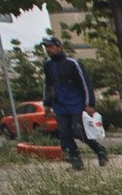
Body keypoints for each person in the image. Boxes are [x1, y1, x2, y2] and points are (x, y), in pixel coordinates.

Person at [41, 36, 107, 169]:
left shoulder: (72, 63)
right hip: (59, 106)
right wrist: (47, 103)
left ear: (59, 47)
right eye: (46, 47)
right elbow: (48, 84)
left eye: (51, 46)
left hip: (76, 104)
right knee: (64, 134)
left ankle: (100, 150)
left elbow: (85, 83)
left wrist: (90, 103)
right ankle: (75, 160)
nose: (48, 49)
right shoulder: (47, 65)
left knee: (77, 131)